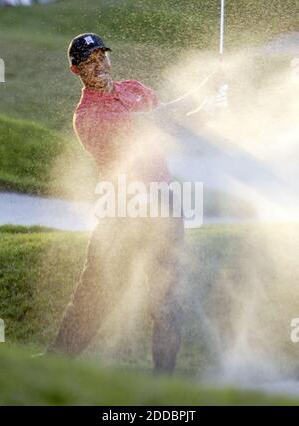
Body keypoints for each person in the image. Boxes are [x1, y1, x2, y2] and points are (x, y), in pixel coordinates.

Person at [48, 33, 227, 373]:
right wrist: (202, 90)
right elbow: (150, 124)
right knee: (95, 296)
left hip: (163, 206)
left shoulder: (135, 89)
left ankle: (164, 383)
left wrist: (211, 106)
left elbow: (172, 126)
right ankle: (54, 364)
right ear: (76, 70)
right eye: (89, 61)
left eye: (102, 57)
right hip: (121, 211)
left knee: (166, 301)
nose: (99, 65)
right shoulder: (87, 116)